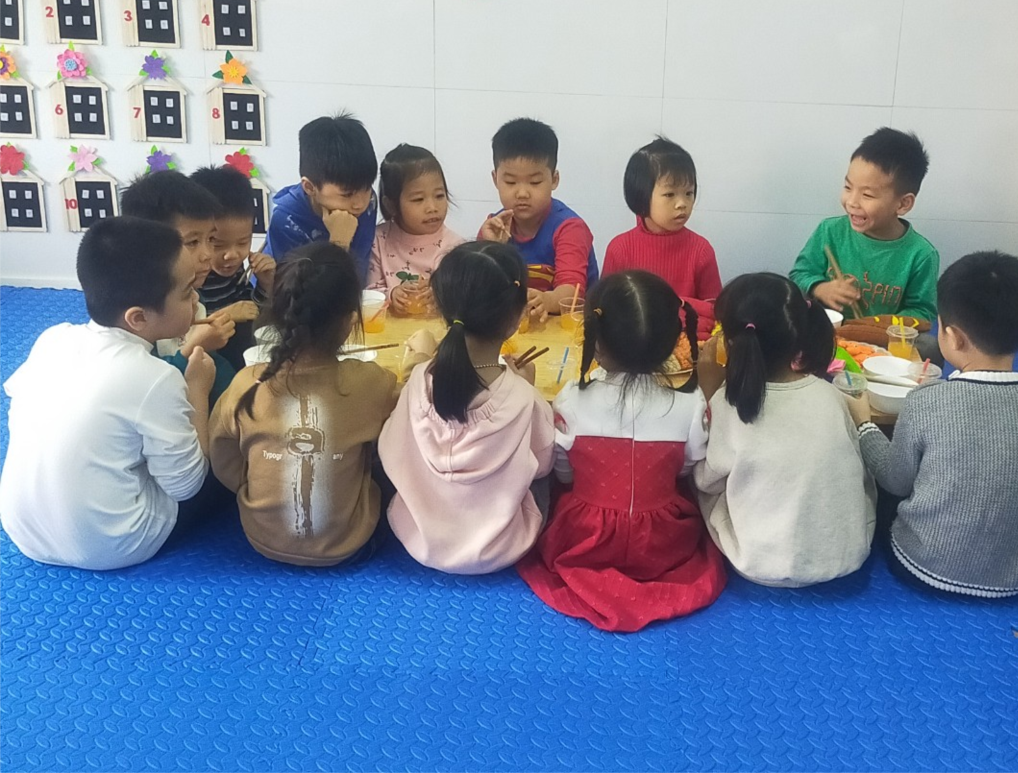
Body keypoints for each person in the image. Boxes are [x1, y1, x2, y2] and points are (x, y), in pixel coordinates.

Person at [517, 270, 726, 632]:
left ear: (596, 343)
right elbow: (687, 467)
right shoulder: (691, 402)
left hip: (585, 538)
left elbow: (564, 472)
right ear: (673, 341)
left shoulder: (571, 398)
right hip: (663, 541)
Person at [0, 217, 213, 570]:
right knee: (223, 458)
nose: (196, 299)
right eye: (187, 292)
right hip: (113, 544)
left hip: (24, 532)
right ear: (138, 318)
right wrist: (198, 390)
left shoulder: (53, 338)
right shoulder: (156, 377)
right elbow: (186, 486)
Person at [848, 251, 1018, 598]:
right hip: (1017, 577)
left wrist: (864, 424)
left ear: (954, 337)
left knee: (876, 486)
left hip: (924, 568)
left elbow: (895, 481)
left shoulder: (925, 401)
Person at [208, 242, 399, 568]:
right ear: (351, 321)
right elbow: (406, 424)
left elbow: (221, 452)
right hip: (349, 545)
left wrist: (254, 479)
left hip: (261, 539)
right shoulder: (372, 382)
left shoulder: (246, 382)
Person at [379, 242, 554, 574]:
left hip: (417, 539)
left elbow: (389, 448)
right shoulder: (522, 396)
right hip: (501, 549)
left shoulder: (419, 378)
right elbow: (544, 464)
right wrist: (529, 389)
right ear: (516, 318)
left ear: (443, 309)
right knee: (547, 475)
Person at [693, 273, 875, 587]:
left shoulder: (727, 402)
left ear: (731, 343)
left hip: (758, 563)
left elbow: (707, 480)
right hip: (845, 555)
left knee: (696, 482)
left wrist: (707, 393)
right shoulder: (829, 394)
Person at [789, 127, 941, 360]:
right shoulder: (829, 231)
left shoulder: (921, 254)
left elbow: (922, 313)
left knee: (930, 346)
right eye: (848, 187)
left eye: (867, 195)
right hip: (828, 332)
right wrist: (820, 288)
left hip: (885, 342)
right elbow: (799, 274)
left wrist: (879, 328)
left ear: (903, 204)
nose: (851, 201)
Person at [120, 169, 237, 405]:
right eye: (192, 242)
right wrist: (193, 348)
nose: (207, 254)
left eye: (210, 239)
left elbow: (213, 365)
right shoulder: (141, 313)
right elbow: (147, 385)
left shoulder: (191, 292)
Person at [478, 117, 598, 322]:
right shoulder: (495, 226)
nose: (522, 193)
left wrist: (546, 300)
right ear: (495, 179)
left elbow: (572, 294)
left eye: (534, 182)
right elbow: (480, 289)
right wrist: (491, 248)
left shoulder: (570, 228)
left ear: (554, 179)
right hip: (517, 327)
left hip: (566, 328)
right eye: (510, 182)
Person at [601, 137, 722, 340]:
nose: (682, 203)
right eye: (669, 194)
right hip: (634, 347)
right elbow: (606, 309)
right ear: (641, 196)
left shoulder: (701, 250)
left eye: (689, 193)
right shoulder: (620, 249)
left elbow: (715, 312)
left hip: (689, 347)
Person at [267, 113, 379, 278]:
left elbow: (361, 267)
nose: (360, 204)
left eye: (367, 187)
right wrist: (339, 243)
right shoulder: (286, 222)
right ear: (309, 187)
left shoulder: (369, 202)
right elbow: (298, 289)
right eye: (347, 194)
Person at [189, 164, 277, 374]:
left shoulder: (234, 268)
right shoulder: (191, 277)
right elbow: (184, 333)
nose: (232, 255)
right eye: (218, 244)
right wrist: (227, 314)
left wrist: (266, 284)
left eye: (243, 242)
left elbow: (250, 309)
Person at [367, 145, 465, 316]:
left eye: (439, 196)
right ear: (391, 205)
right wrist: (391, 294)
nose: (432, 207)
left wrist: (441, 296)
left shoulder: (455, 247)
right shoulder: (378, 240)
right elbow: (369, 293)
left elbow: (465, 296)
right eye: (418, 199)